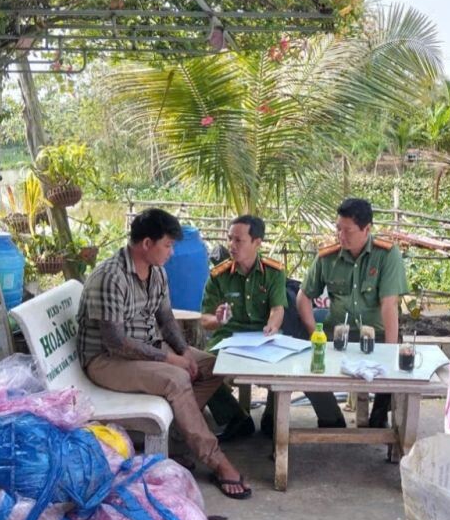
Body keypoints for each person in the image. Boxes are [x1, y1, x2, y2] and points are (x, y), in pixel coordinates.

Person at [77, 208, 251, 499]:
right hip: (106, 360)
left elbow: (166, 319)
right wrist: (171, 359)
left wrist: (184, 352)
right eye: (168, 245)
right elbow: (116, 342)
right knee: (177, 379)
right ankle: (215, 459)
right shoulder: (110, 277)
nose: (171, 253)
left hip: (146, 350)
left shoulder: (156, 271)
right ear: (147, 243)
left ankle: (176, 441)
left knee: (211, 366)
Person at [296, 198, 408, 428]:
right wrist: (314, 333)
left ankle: (379, 417)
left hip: (376, 335)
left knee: (399, 371)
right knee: (304, 370)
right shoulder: (327, 258)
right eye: (338, 228)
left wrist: (389, 350)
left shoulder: (387, 255)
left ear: (367, 229)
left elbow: (389, 304)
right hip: (336, 335)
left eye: (347, 230)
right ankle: (331, 418)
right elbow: (303, 296)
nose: (341, 235)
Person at [200, 215, 286, 441]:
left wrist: (272, 325)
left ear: (257, 242)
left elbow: (278, 308)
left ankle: (272, 417)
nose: (232, 245)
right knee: (200, 367)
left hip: (264, 336)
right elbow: (205, 319)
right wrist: (218, 319)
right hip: (228, 336)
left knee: (284, 367)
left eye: (239, 240)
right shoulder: (218, 276)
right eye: (230, 239)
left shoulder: (273, 272)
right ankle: (236, 417)